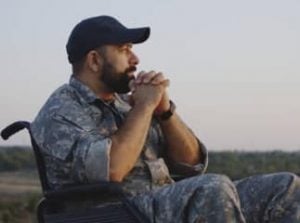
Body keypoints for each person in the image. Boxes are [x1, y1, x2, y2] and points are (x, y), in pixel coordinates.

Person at [31, 15, 300, 223]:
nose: (135, 59)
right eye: (125, 50)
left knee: (286, 187)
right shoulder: (60, 111)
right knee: (211, 189)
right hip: (113, 212)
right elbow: (110, 171)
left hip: (161, 203)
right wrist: (145, 107)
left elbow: (192, 165)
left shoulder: (128, 103)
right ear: (94, 60)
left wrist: (165, 111)